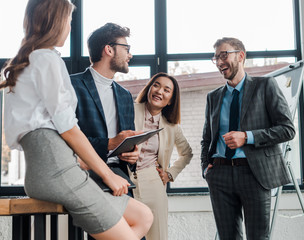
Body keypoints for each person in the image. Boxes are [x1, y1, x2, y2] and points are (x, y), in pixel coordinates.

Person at [0, 0, 152, 239]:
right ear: (57, 20)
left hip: (55, 167)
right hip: (58, 172)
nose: (70, 27)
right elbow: (68, 129)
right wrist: (107, 174)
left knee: (144, 216)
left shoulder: (27, 62)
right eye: (69, 21)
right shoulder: (47, 59)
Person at [201, 37, 295, 240]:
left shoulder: (264, 86)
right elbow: (207, 139)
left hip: (254, 174)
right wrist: (206, 169)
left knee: (258, 237)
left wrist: (247, 137)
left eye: (223, 55)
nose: (219, 62)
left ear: (241, 56)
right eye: (215, 57)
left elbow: (287, 129)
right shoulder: (213, 97)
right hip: (220, 175)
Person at [70, 23, 139, 193]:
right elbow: (67, 138)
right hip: (85, 176)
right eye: (126, 48)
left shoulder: (125, 95)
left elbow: (127, 138)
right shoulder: (71, 85)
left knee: (142, 217)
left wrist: (133, 156)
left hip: (120, 176)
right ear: (109, 50)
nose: (130, 54)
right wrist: (109, 143)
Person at [133, 72, 193, 240]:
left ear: (171, 99)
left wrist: (170, 173)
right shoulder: (129, 109)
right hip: (125, 181)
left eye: (167, 90)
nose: (159, 91)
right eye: (156, 85)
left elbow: (187, 153)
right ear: (149, 88)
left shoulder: (172, 126)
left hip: (153, 182)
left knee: (157, 236)